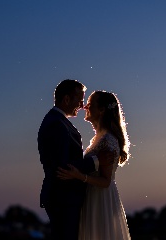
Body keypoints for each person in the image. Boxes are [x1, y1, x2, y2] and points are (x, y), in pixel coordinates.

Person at [37, 79, 111, 240]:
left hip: (66, 197)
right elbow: (62, 167)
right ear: (66, 99)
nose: (83, 105)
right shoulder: (56, 124)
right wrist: (97, 161)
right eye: (80, 100)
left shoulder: (59, 122)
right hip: (63, 198)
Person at [57, 90, 131, 240]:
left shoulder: (108, 140)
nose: (85, 107)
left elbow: (105, 181)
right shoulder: (99, 137)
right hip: (92, 197)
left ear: (102, 110)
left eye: (90, 104)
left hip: (101, 199)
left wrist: (79, 176)